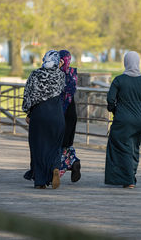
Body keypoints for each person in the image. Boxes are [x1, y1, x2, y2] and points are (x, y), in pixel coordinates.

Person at [105, 51, 141, 189]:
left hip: (123, 120)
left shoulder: (119, 80)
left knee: (121, 147)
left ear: (126, 62)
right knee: (134, 147)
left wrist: (115, 110)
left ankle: (128, 179)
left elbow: (110, 100)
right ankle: (131, 175)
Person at [22, 50, 65, 189]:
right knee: (55, 145)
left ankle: (40, 181)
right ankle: (55, 168)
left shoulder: (35, 75)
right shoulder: (60, 75)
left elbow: (28, 96)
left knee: (38, 147)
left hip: (39, 115)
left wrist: (28, 112)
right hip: (57, 115)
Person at [58, 49, 81, 182]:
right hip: (72, 111)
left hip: (59, 111)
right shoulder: (73, 73)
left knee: (58, 142)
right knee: (67, 143)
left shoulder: (57, 74)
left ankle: (58, 170)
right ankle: (73, 162)